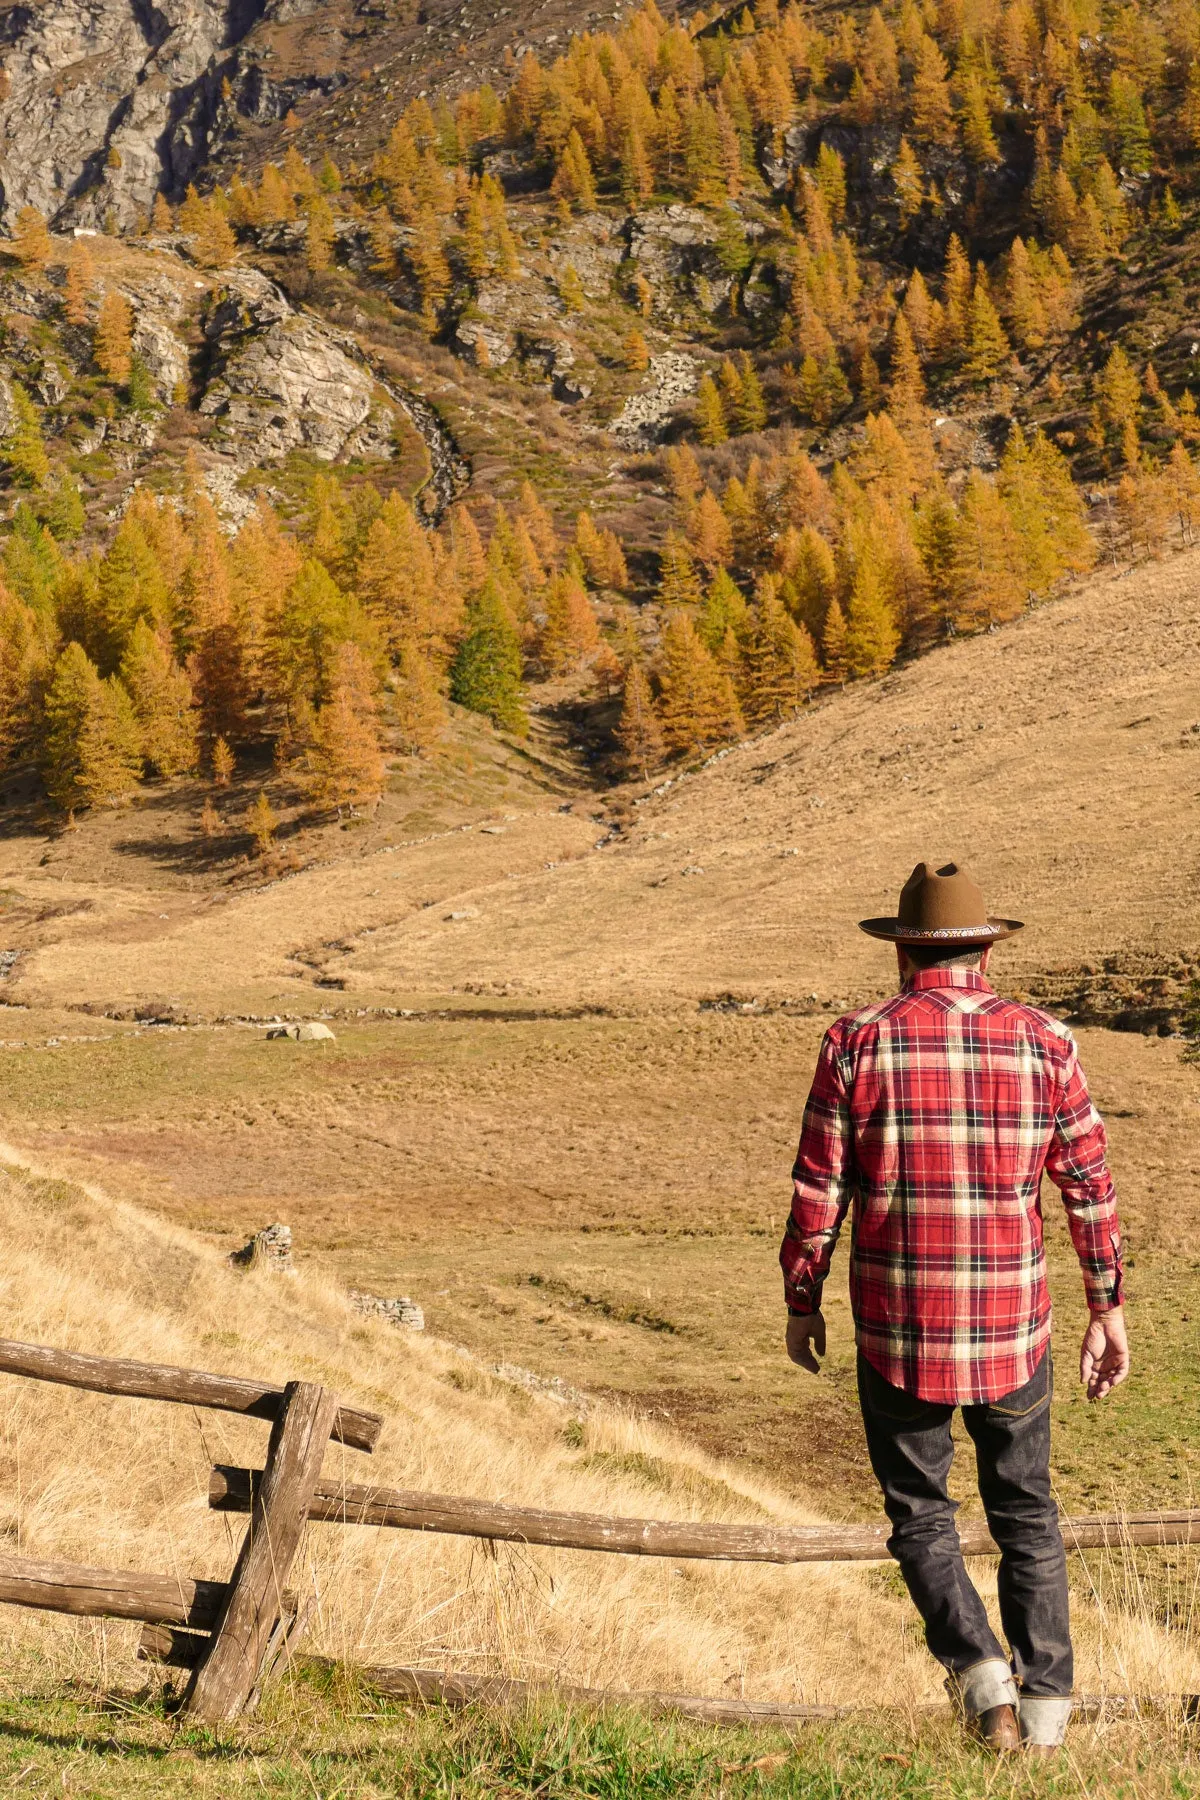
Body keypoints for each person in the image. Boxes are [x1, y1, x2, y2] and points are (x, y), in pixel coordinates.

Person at [781, 861, 1128, 1755]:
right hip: (1015, 1325)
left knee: (922, 1515)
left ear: (904, 952)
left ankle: (984, 1686)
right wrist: (1106, 1307)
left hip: (898, 1326)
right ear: (983, 949)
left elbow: (821, 1184)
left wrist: (802, 1297)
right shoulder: (1045, 1041)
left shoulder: (855, 1042)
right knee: (1027, 1513)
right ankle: (1048, 1710)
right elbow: (1088, 1186)